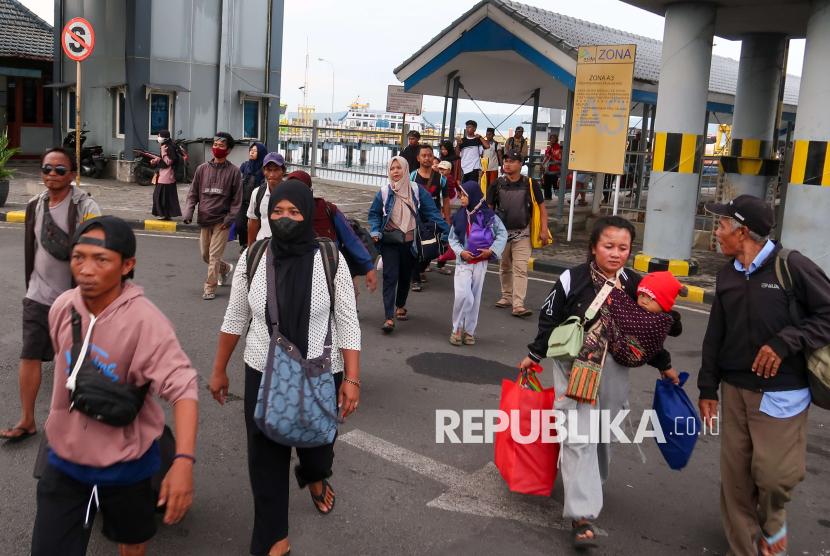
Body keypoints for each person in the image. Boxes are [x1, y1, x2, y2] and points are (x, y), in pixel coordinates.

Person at [31, 216, 198, 556]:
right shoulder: (63, 307)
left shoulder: (146, 322)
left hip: (129, 465)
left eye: (101, 259)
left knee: (132, 542)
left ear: (127, 266)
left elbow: (183, 388)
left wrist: (182, 462)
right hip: (64, 461)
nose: (86, 269)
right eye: (78, 257)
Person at [210, 180, 361, 556]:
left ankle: (314, 476)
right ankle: (275, 540)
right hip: (263, 368)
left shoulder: (330, 257)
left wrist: (353, 379)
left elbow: (347, 320)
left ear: (309, 213)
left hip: (321, 370)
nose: (285, 219)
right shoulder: (254, 257)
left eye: (294, 212)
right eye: (277, 212)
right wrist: (219, 369)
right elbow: (236, 315)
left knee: (317, 450)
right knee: (265, 460)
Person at [520, 216, 680, 549]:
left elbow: (647, 334)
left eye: (623, 248)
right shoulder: (572, 278)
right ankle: (582, 515)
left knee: (604, 432)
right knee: (579, 435)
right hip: (572, 366)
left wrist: (664, 365)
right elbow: (548, 319)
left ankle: (590, 481)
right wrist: (535, 355)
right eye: (609, 246)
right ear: (594, 247)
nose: (616, 254)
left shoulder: (637, 285)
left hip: (614, 368)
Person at [699, 195, 830, 556]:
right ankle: (746, 548)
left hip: (783, 392)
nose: (717, 231)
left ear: (742, 232)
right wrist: (707, 387)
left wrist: (787, 341)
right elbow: (716, 334)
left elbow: (826, 315)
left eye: (722, 225)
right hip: (735, 389)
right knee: (736, 481)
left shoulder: (793, 267)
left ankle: (773, 519)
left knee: (774, 477)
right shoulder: (728, 273)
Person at [2, 147, 101, 442]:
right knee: (29, 353)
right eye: (46, 168)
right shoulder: (35, 205)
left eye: (60, 169)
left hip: (74, 299)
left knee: (71, 360)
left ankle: (77, 421)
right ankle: (27, 420)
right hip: (37, 295)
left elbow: (97, 247)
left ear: (72, 174)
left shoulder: (85, 206)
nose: (52, 174)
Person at [367, 156, 450, 333]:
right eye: (392, 168)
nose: (395, 171)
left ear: (405, 169)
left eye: (399, 168)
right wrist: (375, 231)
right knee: (390, 278)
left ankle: (401, 305)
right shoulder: (383, 192)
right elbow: (374, 214)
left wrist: (447, 230)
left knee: (405, 277)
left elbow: (432, 212)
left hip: (411, 243)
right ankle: (388, 317)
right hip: (389, 242)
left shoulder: (416, 190)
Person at [287, 169, 379, 300]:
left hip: (332, 275)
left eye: (300, 188)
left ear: (309, 191)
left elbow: (351, 238)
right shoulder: (284, 214)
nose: (295, 194)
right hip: (298, 277)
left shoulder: (326, 209)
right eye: (290, 189)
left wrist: (369, 267)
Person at [486, 149, 550, 317]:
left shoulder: (530, 184)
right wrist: (486, 232)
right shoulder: (497, 183)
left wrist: (544, 230)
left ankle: (518, 304)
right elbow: (489, 209)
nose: (507, 164)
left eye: (512, 161)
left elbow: (542, 209)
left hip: (523, 234)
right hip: (502, 234)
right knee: (504, 266)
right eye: (506, 161)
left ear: (520, 165)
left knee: (520, 268)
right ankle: (506, 296)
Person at [183, 132, 242, 300]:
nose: (217, 148)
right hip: (204, 218)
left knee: (214, 256)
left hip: (222, 221)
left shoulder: (234, 172)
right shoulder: (202, 169)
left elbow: (237, 199)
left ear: (228, 150)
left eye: (221, 146)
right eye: (215, 145)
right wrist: (189, 213)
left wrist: (229, 219)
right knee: (205, 255)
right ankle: (225, 269)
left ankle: (210, 286)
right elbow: (193, 193)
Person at [448, 181, 507, 345]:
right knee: (463, 296)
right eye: (461, 193)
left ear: (473, 196)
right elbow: (452, 239)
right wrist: (461, 252)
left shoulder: (489, 216)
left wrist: (492, 251)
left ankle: (469, 331)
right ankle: (457, 328)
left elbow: (502, 234)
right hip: (463, 263)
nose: (461, 197)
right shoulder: (460, 216)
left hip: (481, 263)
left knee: (475, 296)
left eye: (464, 194)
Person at [410, 144, 452, 291]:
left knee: (433, 246)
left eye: (430, 155)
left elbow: (446, 201)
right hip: (415, 217)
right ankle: (415, 279)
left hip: (433, 217)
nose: (427, 158)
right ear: (418, 158)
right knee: (415, 247)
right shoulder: (413, 176)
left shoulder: (441, 179)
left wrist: (447, 221)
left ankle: (422, 268)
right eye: (424, 155)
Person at [247, 152, 286, 243]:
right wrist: (250, 249)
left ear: (283, 171)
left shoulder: (290, 193)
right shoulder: (257, 193)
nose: (272, 174)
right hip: (263, 245)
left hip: (285, 247)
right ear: (264, 171)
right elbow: (253, 221)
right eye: (269, 170)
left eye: (276, 170)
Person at [236, 142, 268, 251]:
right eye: (251, 150)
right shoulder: (245, 166)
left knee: (257, 225)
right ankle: (245, 244)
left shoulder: (265, 168)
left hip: (258, 201)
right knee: (240, 224)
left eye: (255, 151)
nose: (252, 152)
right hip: (244, 200)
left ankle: (254, 246)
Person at [150, 130, 182, 221]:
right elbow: (162, 159)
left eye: (160, 136)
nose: (158, 138)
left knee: (161, 195)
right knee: (165, 196)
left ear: (165, 137)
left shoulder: (169, 147)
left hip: (167, 175)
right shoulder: (166, 146)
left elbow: (168, 161)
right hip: (164, 174)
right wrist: (155, 161)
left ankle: (165, 214)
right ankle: (166, 214)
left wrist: (163, 151)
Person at [541, 134, 562, 200]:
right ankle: (547, 196)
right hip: (548, 168)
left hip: (556, 168)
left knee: (555, 183)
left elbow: (560, 157)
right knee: (547, 182)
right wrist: (543, 166)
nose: (552, 140)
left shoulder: (559, 147)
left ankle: (559, 196)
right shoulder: (549, 148)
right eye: (551, 138)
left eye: (553, 138)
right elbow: (546, 157)